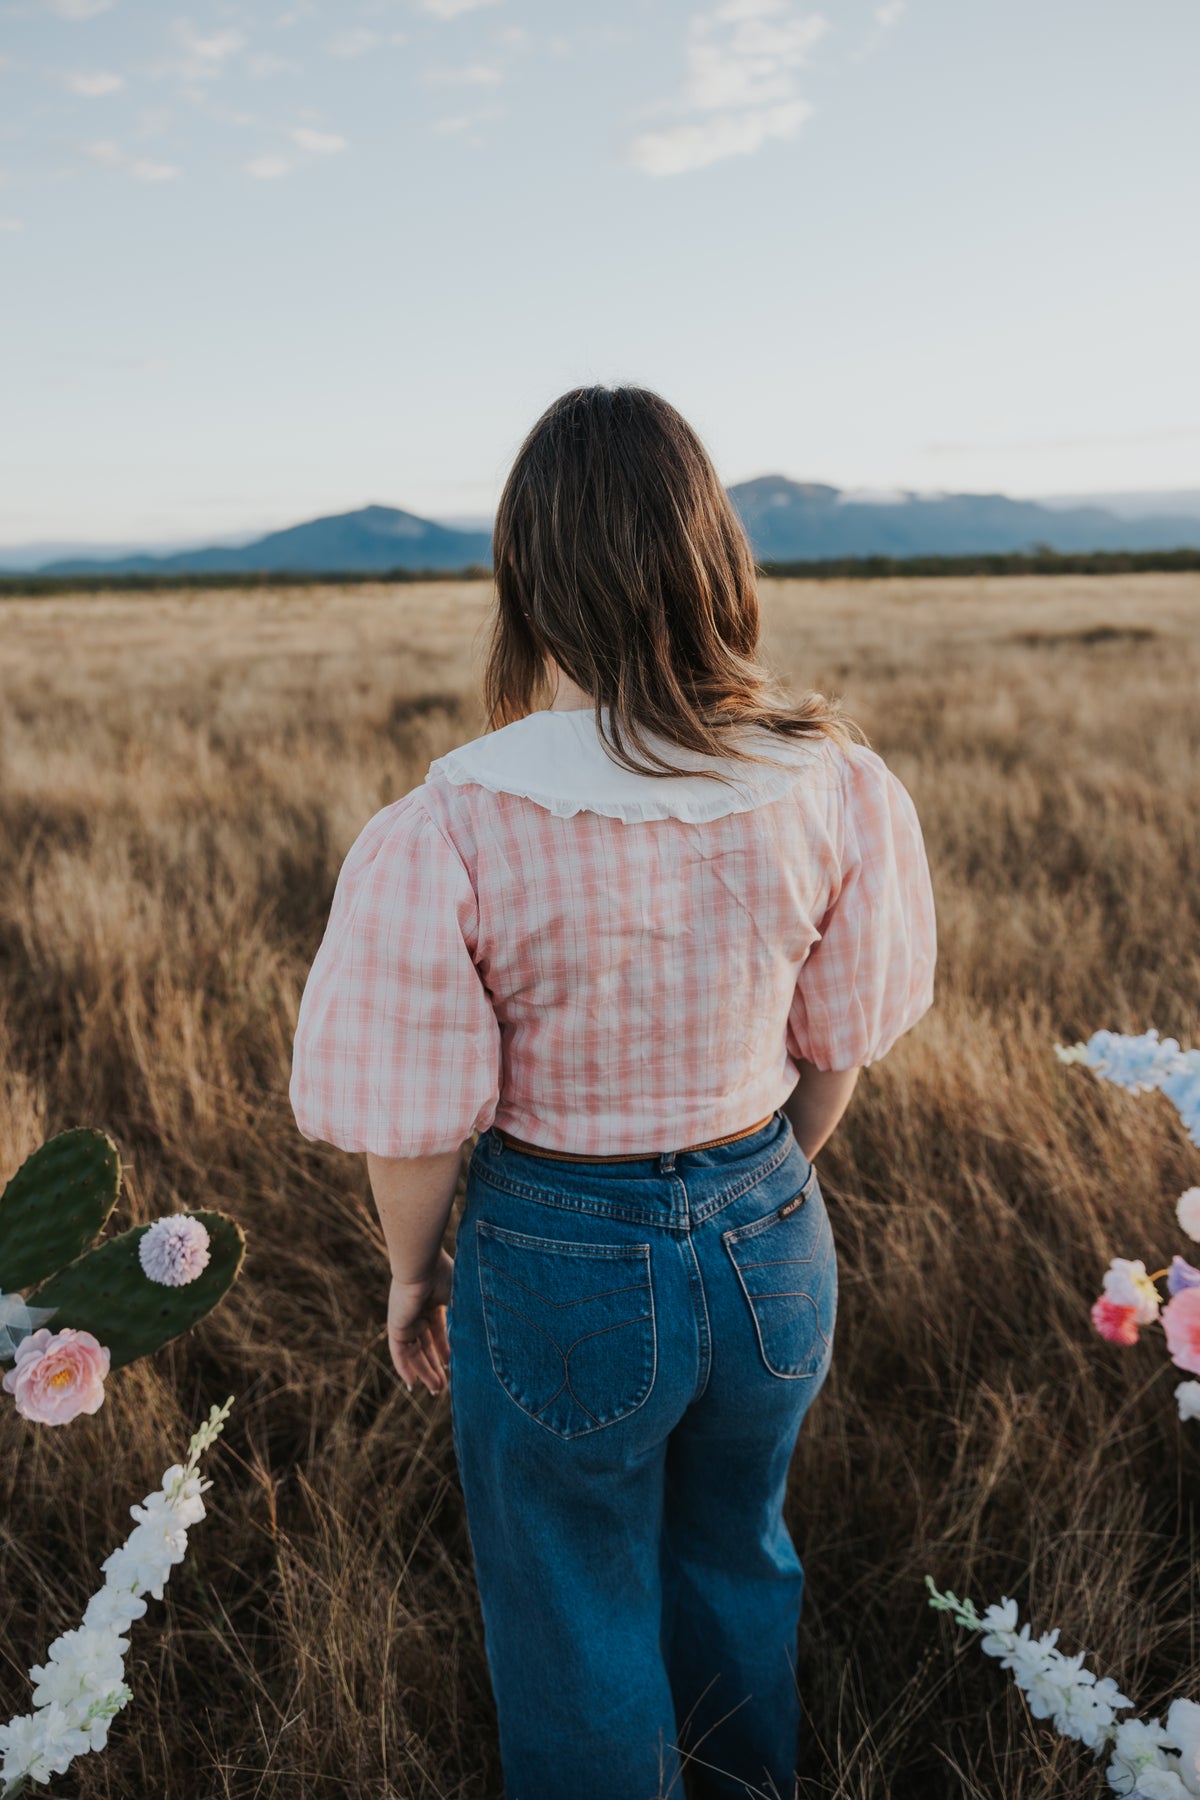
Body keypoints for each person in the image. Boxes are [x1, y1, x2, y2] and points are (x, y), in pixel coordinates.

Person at [289, 385, 937, 1800]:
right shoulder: (828, 778)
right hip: (772, 1230)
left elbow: (413, 1116)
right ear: (715, 558)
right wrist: (766, 1178)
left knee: (571, 1602)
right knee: (738, 1554)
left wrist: (414, 1276)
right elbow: (833, 1055)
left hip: (562, 1258)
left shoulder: (456, 813)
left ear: (529, 576)